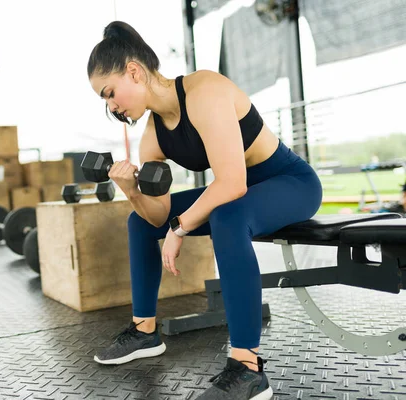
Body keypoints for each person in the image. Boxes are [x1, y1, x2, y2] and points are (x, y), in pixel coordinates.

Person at [86, 21, 323, 399]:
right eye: (105, 100)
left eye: (110, 92)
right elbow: (156, 216)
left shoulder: (204, 90)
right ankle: (145, 331)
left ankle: (248, 368)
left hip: (289, 184)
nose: (112, 105)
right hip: (242, 192)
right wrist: (131, 190)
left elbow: (232, 183)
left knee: (227, 214)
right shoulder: (153, 134)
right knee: (138, 223)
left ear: (134, 71)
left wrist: (178, 231)